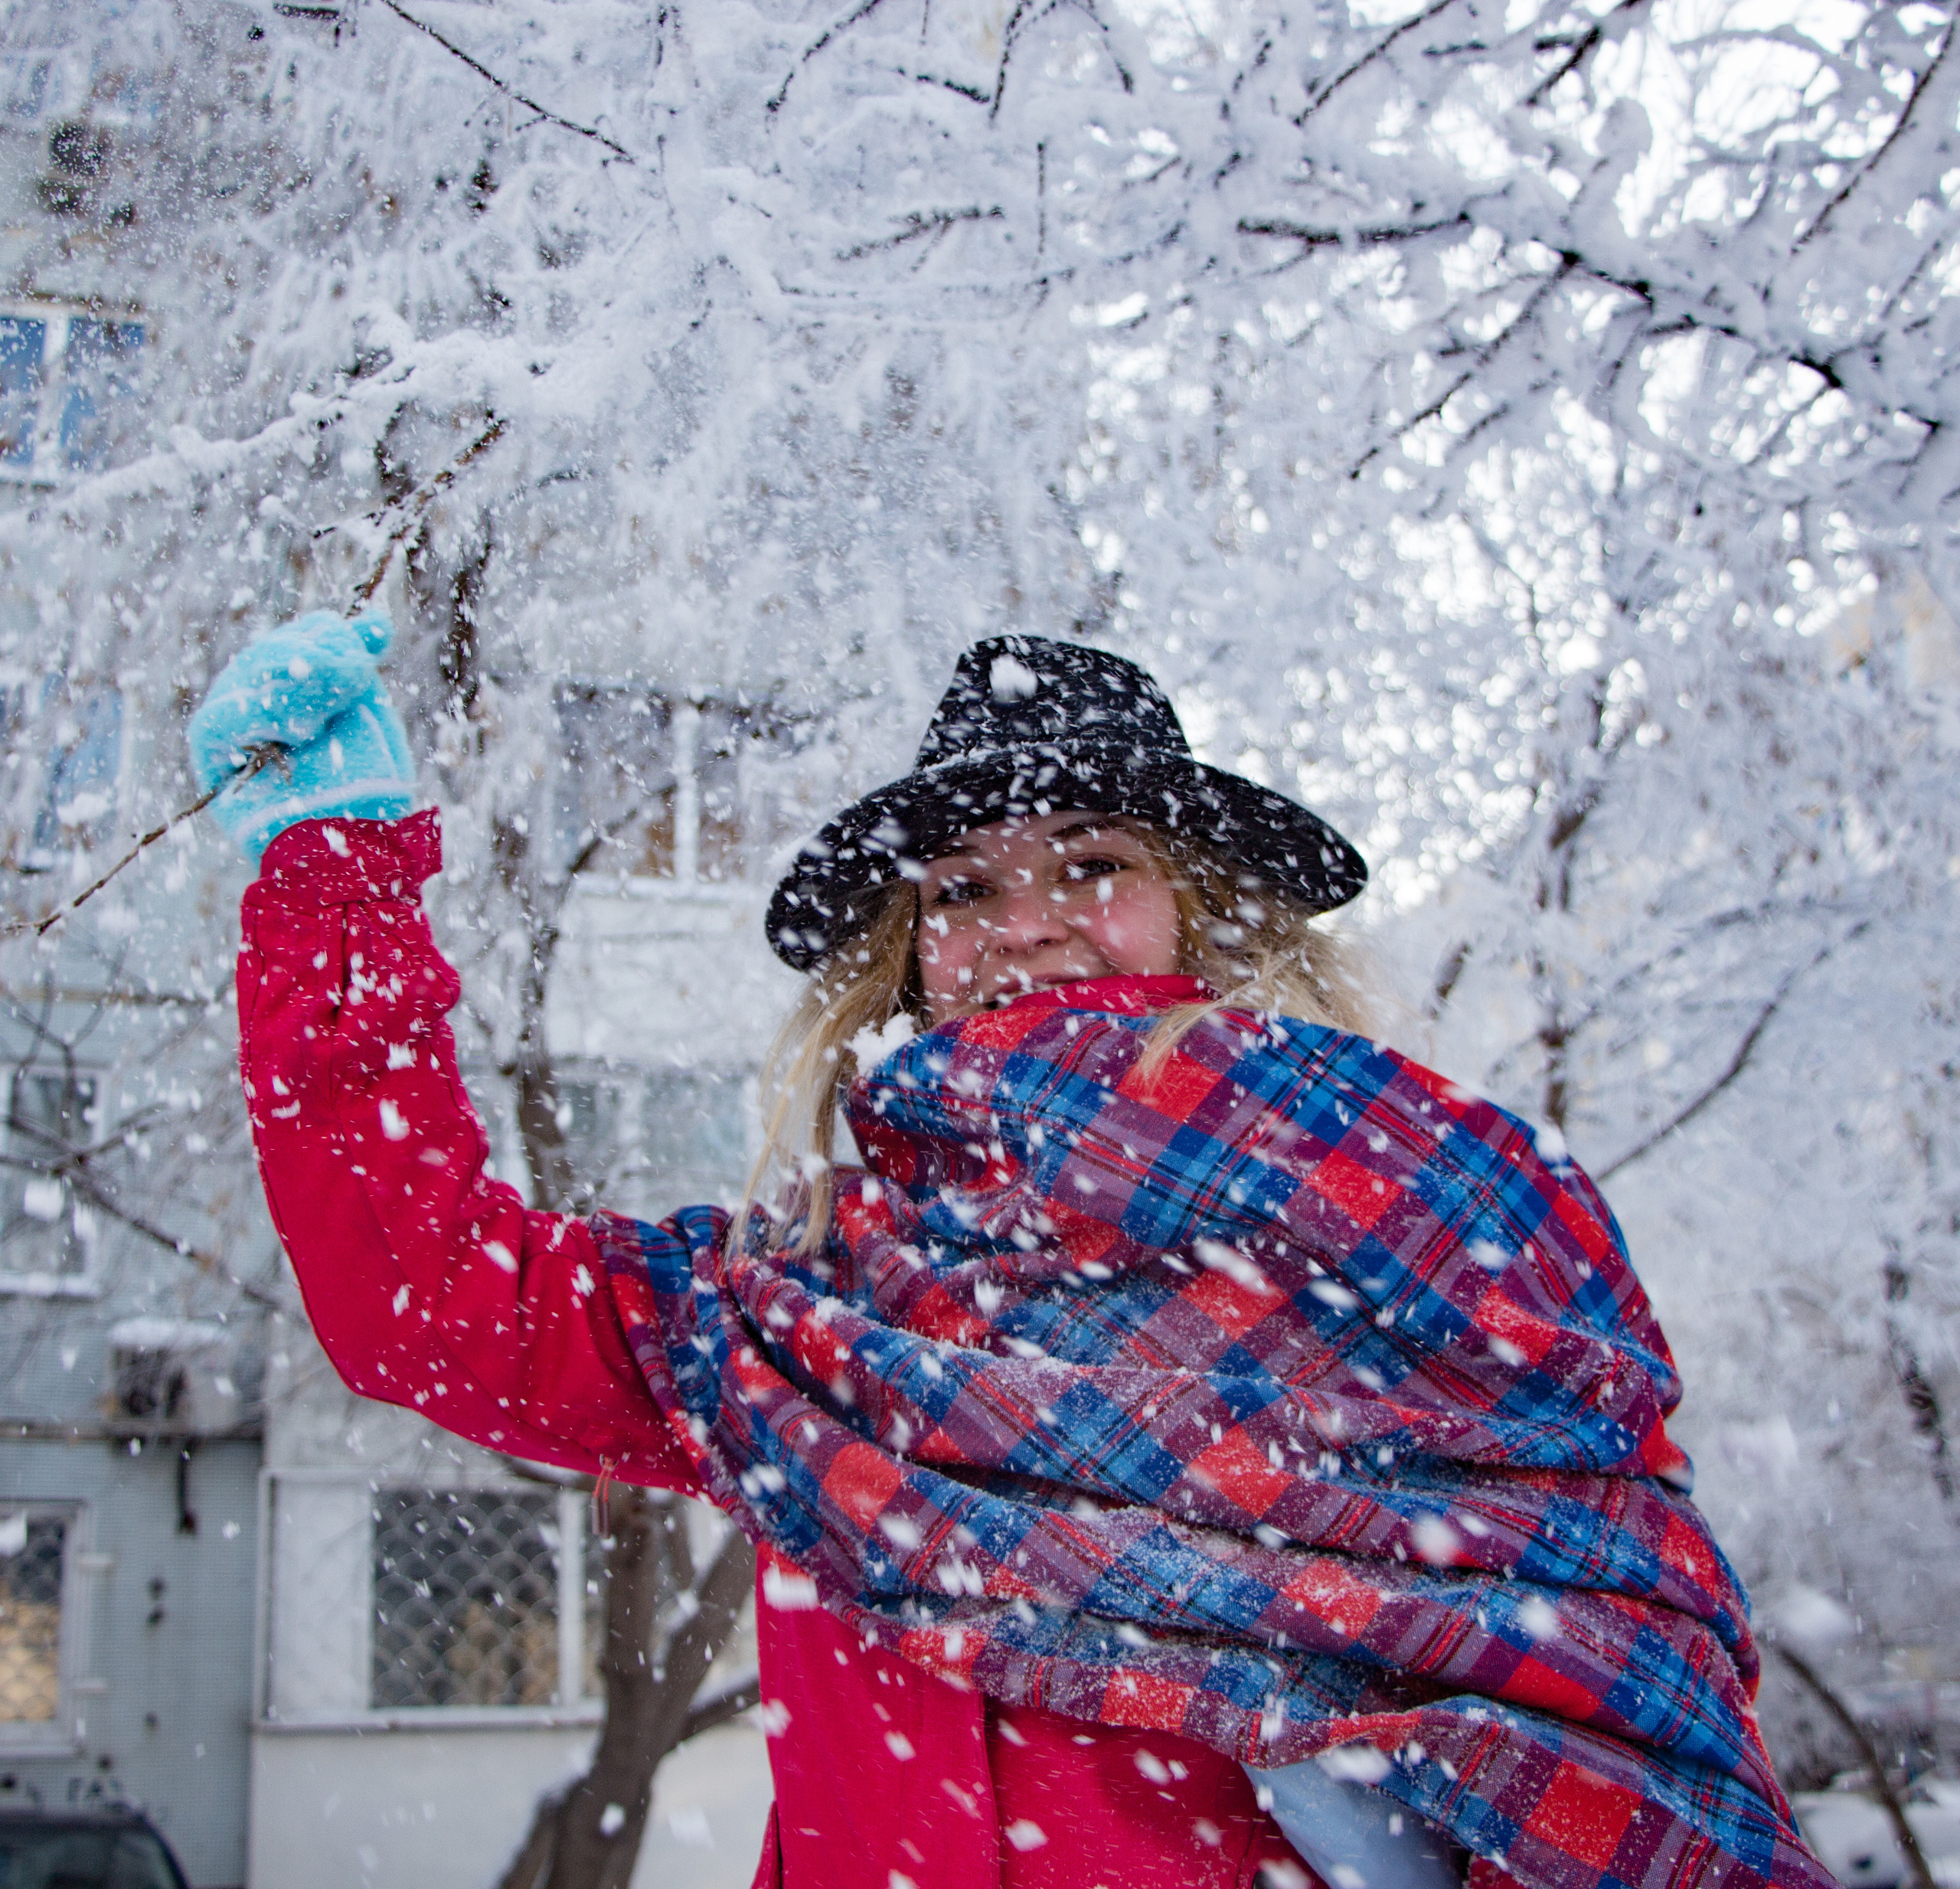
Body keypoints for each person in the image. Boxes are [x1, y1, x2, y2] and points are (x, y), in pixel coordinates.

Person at [190, 624, 1831, 1889]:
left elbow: (1605, 1640)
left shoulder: (1418, 1218)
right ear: (907, 952)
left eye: (1095, 865)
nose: (1026, 920)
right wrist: (335, 883)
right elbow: (433, 1302)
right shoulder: (806, 1303)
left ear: (1200, 910)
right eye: (962, 887)